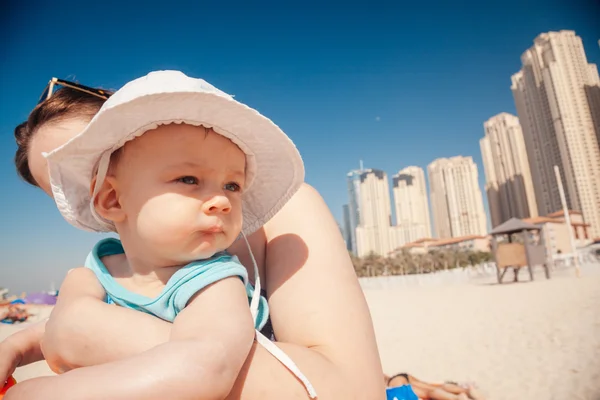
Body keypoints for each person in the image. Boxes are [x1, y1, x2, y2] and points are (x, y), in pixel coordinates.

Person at [1, 76, 385, 399]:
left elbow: (204, 361)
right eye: (67, 187)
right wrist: (20, 344)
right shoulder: (106, 264)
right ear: (109, 200)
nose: (91, 188)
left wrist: (87, 337)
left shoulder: (219, 272)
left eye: (95, 152)